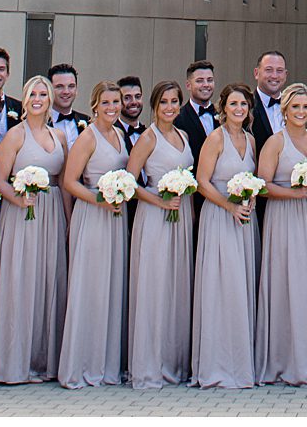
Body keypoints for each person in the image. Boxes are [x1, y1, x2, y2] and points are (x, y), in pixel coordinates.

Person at [256, 84, 307, 386]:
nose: (300, 112)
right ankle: (284, 360)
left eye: (305, 107)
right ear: (285, 110)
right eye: (295, 107)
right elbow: (262, 185)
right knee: (287, 285)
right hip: (285, 220)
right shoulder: (275, 143)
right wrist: (294, 194)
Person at [0, 75, 69, 384]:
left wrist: (68, 220)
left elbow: (63, 182)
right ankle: (14, 361)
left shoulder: (59, 136)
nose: (38, 99)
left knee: (48, 280)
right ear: (24, 99)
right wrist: (19, 200)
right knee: (21, 281)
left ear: (50, 100)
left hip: (52, 214)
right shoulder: (15, 135)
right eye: (32, 94)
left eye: (43, 94)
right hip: (22, 214)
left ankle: (43, 360)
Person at [55, 82, 131, 386]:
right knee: (91, 286)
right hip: (93, 215)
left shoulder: (120, 135)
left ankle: (106, 362)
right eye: (106, 102)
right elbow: (70, 182)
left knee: (111, 286)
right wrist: (99, 199)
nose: (112, 107)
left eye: (116, 102)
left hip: (116, 218)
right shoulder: (87, 137)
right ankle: (82, 362)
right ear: (95, 105)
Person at [126, 80, 195, 388]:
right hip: (155, 217)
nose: (169, 107)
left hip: (181, 217)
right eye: (164, 102)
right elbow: (129, 182)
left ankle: (174, 362)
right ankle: (150, 363)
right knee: (154, 286)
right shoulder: (147, 138)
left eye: (174, 101)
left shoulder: (184, 135)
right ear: (155, 105)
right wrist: (159, 200)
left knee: (176, 286)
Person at [191, 84, 261, 387]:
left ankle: (241, 361)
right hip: (220, 217)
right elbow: (201, 181)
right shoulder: (215, 138)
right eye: (233, 104)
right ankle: (217, 363)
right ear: (223, 108)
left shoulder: (251, 140)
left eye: (243, 104)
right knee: (221, 287)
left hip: (244, 220)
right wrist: (228, 206)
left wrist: (251, 197)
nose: (239, 109)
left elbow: (254, 178)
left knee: (241, 286)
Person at [179, 60, 219, 157]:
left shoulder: (224, 114)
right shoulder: (178, 118)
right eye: (200, 80)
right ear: (188, 85)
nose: (206, 84)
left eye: (210, 80)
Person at [249, 50, 289, 147]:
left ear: (285, 75)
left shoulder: (292, 106)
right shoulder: (246, 106)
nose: (274, 76)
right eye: (269, 70)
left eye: (279, 71)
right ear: (256, 73)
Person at [48, 64, 84, 140]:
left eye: (71, 86)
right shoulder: (39, 122)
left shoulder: (88, 122)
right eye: (59, 86)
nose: (66, 92)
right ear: (49, 90)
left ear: (76, 90)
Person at [117, 75, 146, 145]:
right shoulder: (110, 133)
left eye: (137, 97)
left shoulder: (149, 134)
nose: (134, 102)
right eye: (127, 98)